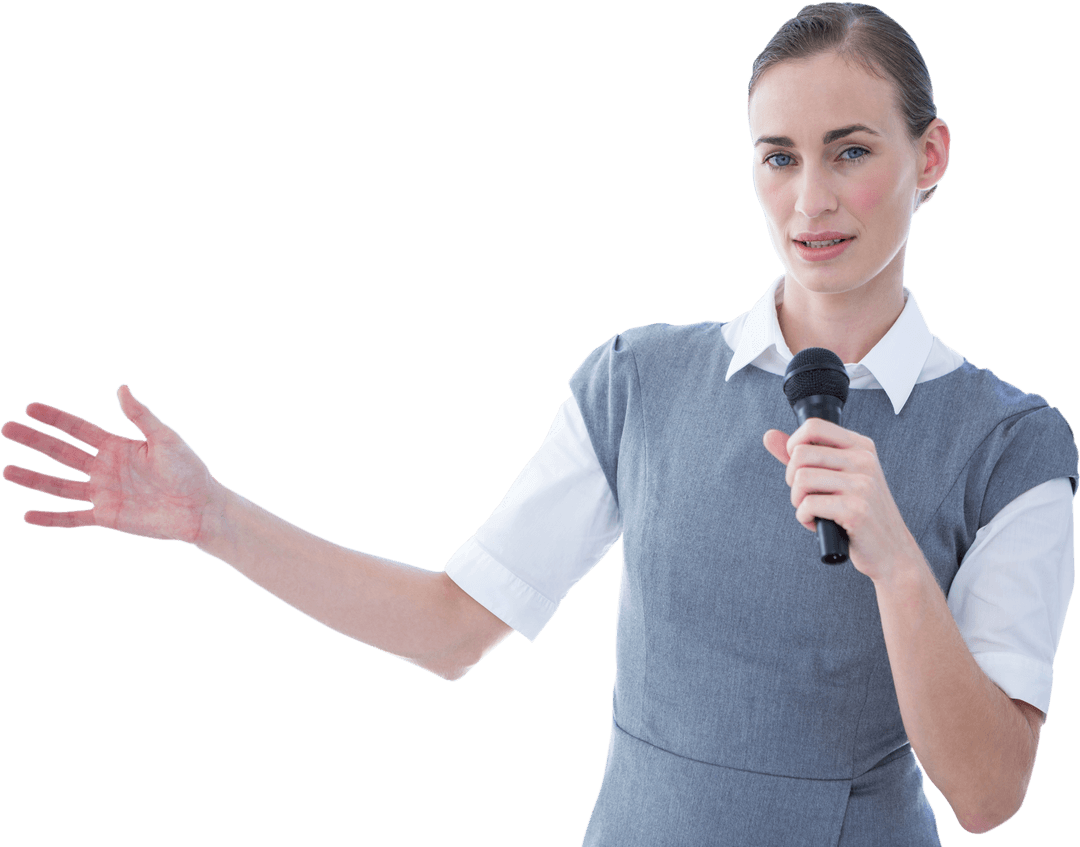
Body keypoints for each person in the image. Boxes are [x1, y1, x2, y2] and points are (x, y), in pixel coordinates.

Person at [2, 2, 1075, 844]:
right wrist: (214, 518)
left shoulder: (1010, 445)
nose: (809, 203)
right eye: (778, 156)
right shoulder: (640, 383)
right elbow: (449, 626)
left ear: (929, 159)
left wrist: (893, 561)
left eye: (851, 151)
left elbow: (987, 793)